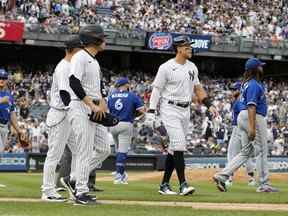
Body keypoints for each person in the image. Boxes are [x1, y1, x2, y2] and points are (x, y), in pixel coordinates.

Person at [147, 35, 218, 196]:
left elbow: (198, 89)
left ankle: (164, 184)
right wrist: (151, 111)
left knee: (174, 148)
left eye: (190, 47)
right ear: (178, 49)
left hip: (185, 110)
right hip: (169, 108)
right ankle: (183, 184)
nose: (190, 49)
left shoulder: (192, 67)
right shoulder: (166, 67)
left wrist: (210, 104)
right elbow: (156, 90)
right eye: (187, 47)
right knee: (178, 144)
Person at [213, 58, 279, 193]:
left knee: (246, 152)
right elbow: (252, 106)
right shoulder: (254, 84)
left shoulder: (246, 83)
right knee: (261, 151)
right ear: (255, 69)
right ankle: (264, 184)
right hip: (253, 117)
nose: (262, 68)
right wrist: (253, 127)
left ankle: (222, 175)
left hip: (242, 118)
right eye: (260, 66)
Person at [65, 24, 108, 205]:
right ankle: (80, 192)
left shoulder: (94, 60)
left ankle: (74, 178)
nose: (105, 40)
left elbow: (96, 89)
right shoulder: (80, 57)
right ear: (94, 39)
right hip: (81, 107)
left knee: (104, 149)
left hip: (94, 109)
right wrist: (91, 104)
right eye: (102, 37)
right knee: (84, 151)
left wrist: (102, 107)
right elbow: (73, 82)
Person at [41, 35, 81, 202]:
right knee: (54, 155)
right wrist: (74, 113)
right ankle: (48, 191)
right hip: (60, 114)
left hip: (66, 114)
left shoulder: (71, 65)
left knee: (79, 150)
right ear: (73, 49)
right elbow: (65, 94)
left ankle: (73, 183)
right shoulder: (64, 67)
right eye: (80, 49)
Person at [108, 77, 145, 184]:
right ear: (126, 85)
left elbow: (108, 109)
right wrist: (133, 115)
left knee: (118, 150)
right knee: (122, 151)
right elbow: (142, 110)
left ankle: (121, 173)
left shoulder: (111, 96)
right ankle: (119, 177)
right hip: (125, 123)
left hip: (113, 124)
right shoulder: (131, 95)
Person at [225, 81, 256, 187]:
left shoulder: (239, 101)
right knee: (246, 154)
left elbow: (245, 113)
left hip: (238, 128)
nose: (232, 91)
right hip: (243, 128)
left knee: (231, 153)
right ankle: (251, 179)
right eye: (232, 89)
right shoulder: (239, 100)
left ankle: (229, 179)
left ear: (239, 90)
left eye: (235, 89)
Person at [0, 69, 22, 152]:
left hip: (4, 128)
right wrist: (1, 100)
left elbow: (12, 115)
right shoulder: (6, 97)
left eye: (4, 78)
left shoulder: (9, 96)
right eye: (0, 78)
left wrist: (19, 131)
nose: (1, 80)